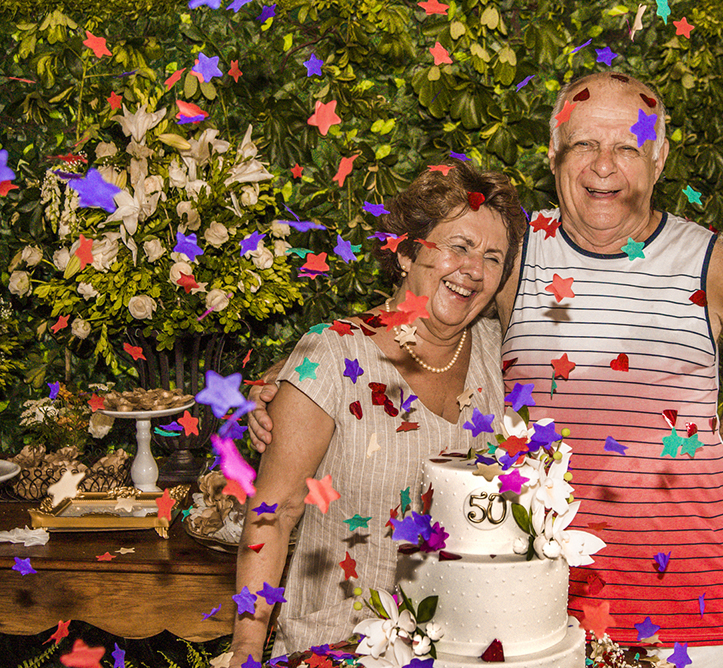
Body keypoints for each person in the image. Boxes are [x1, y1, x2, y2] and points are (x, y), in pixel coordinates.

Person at [249, 72, 723, 668]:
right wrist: (293, 380)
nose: (604, 166)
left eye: (627, 146)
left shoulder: (707, 258)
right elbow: (420, 307)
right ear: (554, 153)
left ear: (659, 157)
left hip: (688, 602)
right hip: (536, 612)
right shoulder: (517, 252)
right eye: (585, 144)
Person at [225, 161, 527, 666]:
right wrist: (245, 649)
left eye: (493, 257)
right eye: (458, 246)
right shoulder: (330, 356)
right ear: (407, 251)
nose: (474, 269)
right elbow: (272, 518)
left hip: (465, 650)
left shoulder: (501, 358)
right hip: (335, 650)